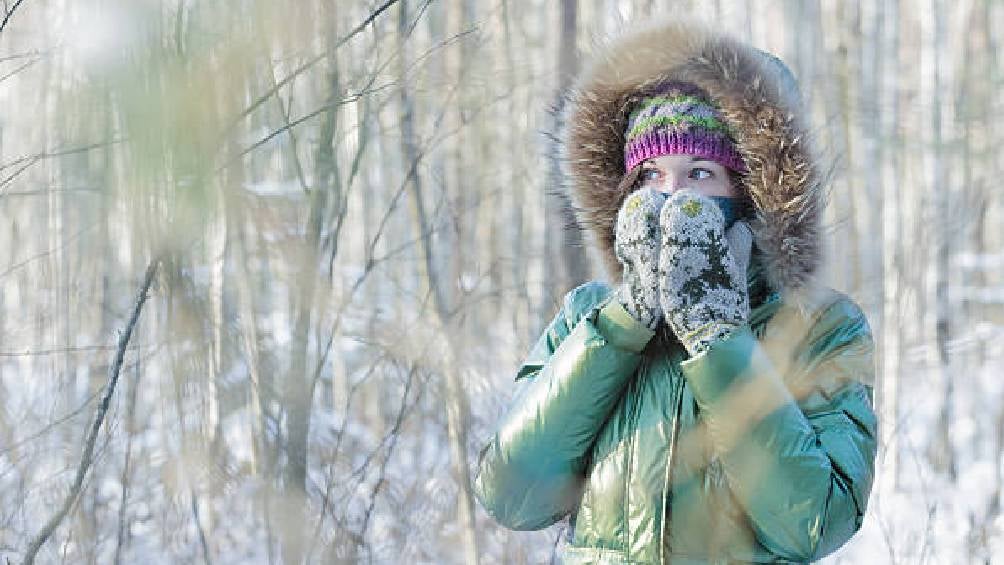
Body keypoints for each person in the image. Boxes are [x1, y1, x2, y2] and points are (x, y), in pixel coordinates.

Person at [472, 19, 878, 565]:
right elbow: (511, 496)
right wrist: (622, 324)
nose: (670, 196)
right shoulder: (588, 316)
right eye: (649, 176)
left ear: (752, 189)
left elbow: (812, 524)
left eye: (700, 172)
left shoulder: (819, 326)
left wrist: (718, 337)